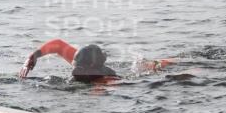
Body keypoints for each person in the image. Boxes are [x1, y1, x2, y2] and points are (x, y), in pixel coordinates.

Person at [19, 39, 174, 83]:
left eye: (78, 66)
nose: (75, 69)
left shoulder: (105, 79)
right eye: (75, 65)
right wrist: (32, 57)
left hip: (118, 78)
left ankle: (169, 63)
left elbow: (103, 89)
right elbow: (58, 45)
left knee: (150, 67)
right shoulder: (81, 62)